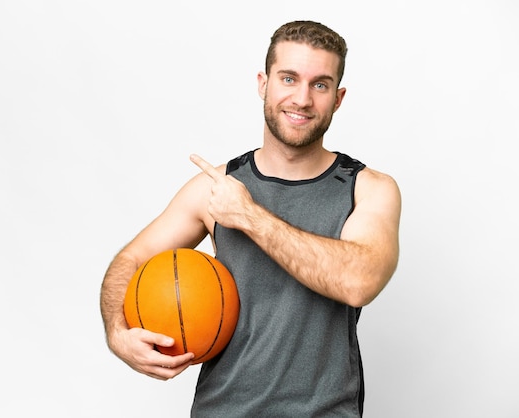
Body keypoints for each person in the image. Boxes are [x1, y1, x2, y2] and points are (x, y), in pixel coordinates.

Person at [100, 20, 401, 417]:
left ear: (338, 98)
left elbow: (357, 282)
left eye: (320, 84)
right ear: (263, 84)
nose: (302, 99)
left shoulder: (368, 188)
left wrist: (249, 216)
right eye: (289, 78)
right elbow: (131, 260)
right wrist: (117, 333)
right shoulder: (214, 187)